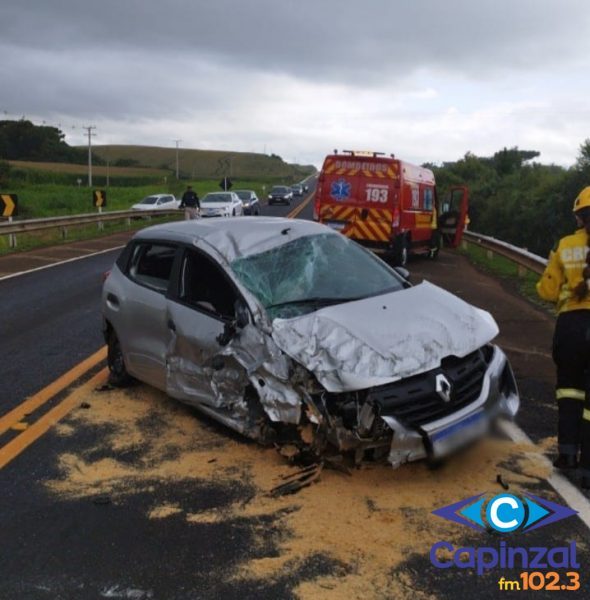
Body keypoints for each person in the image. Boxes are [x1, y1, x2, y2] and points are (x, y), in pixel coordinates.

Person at [537, 186, 590, 488]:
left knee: (569, 393)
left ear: (580, 216)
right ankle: (588, 469)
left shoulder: (566, 245)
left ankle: (567, 455)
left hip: (570, 327)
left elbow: (546, 291)